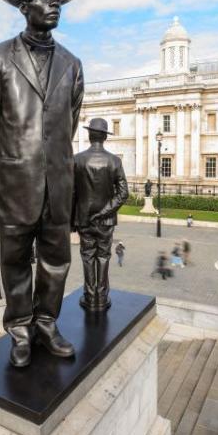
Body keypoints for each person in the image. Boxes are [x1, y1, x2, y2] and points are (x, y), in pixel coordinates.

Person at [0, 0, 83, 367]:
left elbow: (69, 123)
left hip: (58, 184)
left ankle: (46, 324)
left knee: (57, 261)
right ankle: (19, 329)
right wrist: (11, 161)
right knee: (15, 261)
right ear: (24, 6)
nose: (54, 5)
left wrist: (50, 162)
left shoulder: (72, 63)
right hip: (14, 182)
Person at [71, 117, 129, 312]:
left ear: (89, 135)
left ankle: (89, 296)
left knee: (87, 256)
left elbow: (71, 193)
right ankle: (101, 297)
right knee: (103, 256)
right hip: (106, 221)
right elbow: (123, 194)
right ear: (105, 137)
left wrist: (73, 220)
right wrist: (105, 212)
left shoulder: (77, 160)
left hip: (84, 219)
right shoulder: (114, 161)